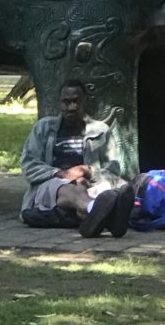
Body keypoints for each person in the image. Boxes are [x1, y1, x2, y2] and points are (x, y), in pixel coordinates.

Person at [20, 79, 135, 238]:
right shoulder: (43, 128)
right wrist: (60, 174)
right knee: (68, 187)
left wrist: (89, 171)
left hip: (89, 185)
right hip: (51, 185)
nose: (71, 107)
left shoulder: (100, 131)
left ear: (84, 101)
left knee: (104, 190)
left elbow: (113, 171)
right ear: (60, 103)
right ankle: (96, 210)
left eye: (76, 101)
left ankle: (91, 218)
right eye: (66, 102)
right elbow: (29, 165)